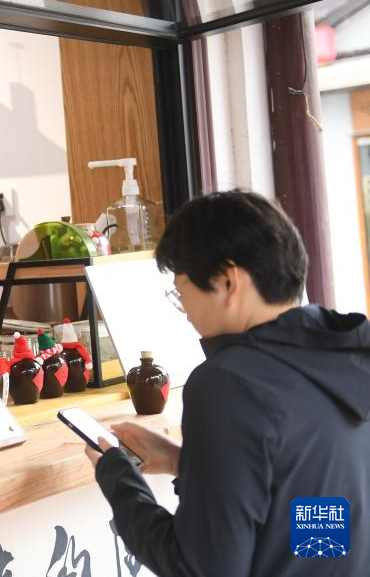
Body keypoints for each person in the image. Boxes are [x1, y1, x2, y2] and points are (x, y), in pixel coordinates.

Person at [85, 190, 370, 575]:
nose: (184, 310)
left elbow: (198, 568)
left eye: (181, 290)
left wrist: (117, 477)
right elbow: (313, 518)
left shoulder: (229, 383)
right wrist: (184, 462)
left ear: (228, 281)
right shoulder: (340, 359)